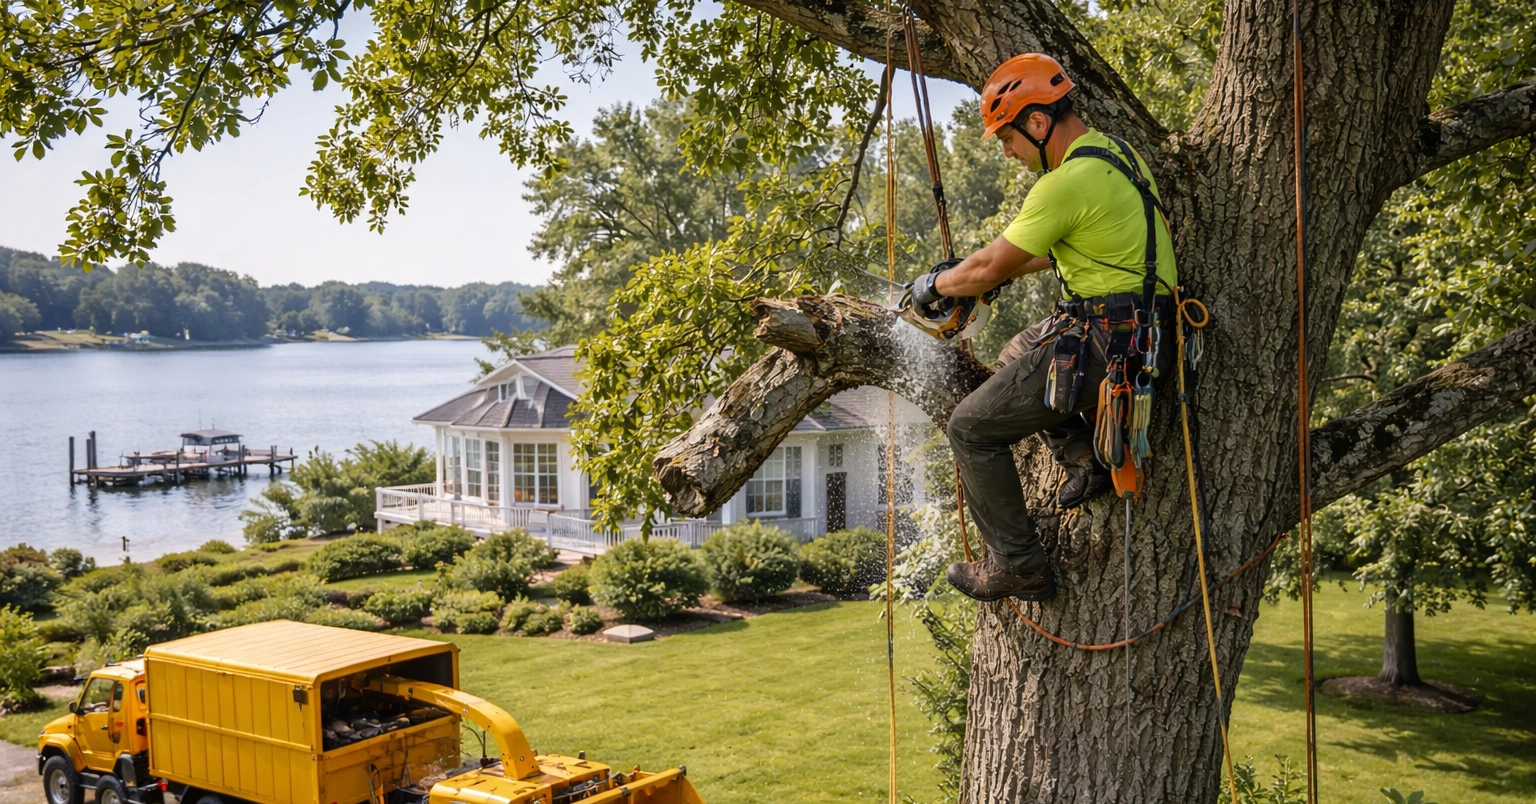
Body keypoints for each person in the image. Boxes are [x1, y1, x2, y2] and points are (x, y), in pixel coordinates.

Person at [907, 53, 1179, 603]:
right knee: (1018, 349)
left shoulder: (1063, 184)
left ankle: (1019, 565)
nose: (1006, 151)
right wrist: (980, 275)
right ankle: (1085, 458)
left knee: (970, 428)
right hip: (1144, 328)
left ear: (1037, 122)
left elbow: (989, 265)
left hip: (1111, 343)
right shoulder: (1116, 155)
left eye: (1008, 137)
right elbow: (1046, 251)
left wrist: (936, 286)